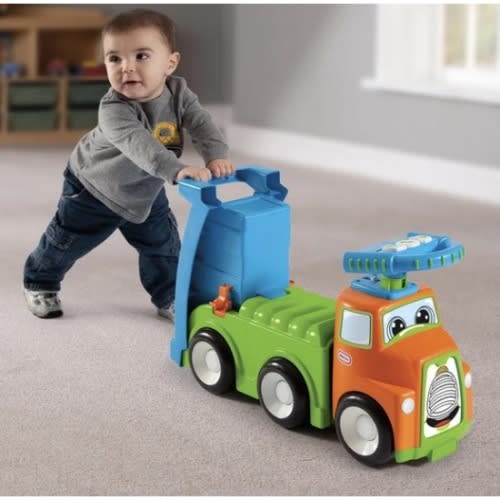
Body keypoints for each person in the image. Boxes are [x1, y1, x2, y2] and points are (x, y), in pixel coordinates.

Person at [23, 9, 233, 320]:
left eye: (141, 56)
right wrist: (177, 170)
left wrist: (216, 155)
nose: (127, 67)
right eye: (114, 58)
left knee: (162, 244)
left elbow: (202, 124)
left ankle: (169, 295)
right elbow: (142, 147)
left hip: (145, 187)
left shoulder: (179, 93)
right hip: (95, 187)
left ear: (170, 63)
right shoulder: (113, 109)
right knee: (68, 240)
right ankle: (39, 281)